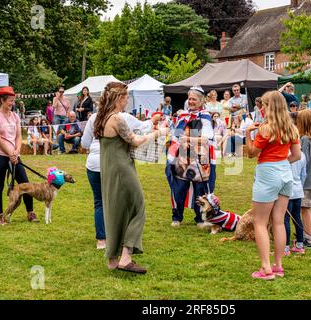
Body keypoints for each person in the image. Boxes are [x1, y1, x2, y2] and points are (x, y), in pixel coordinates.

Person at [93, 82, 168, 273]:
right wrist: (157, 133)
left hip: (109, 169)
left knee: (114, 210)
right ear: (119, 98)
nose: (127, 100)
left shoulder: (101, 117)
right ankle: (126, 258)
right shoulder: (116, 118)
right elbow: (135, 141)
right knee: (138, 206)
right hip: (121, 168)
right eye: (126, 97)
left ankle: (112, 259)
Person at [82, 104, 161, 251]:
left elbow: (85, 143)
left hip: (93, 164)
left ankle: (101, 239)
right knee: (119, 202)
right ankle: (120, 238)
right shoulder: (123, 117)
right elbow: (143, 128)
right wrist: (154, 120)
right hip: (112, 163)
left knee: (99, 202)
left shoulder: (94, 117)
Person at [245, 90, 301, 280]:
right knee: (278, 221)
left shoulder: (266, 128)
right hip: (285, 173)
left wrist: (247, 133)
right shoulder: (291, 128)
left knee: (260, 222)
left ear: (270, 106)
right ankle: (278, 265)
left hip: (267, 172)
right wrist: (281, 162)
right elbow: (296, 156)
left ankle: (265, 268)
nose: (261, 108)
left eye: (263, 105)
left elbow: (252, 152)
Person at [166, 86, 216, 228]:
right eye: (189, 99)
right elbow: (176, 135)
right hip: (183, 156)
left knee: (200, 188)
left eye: (194, 99)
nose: (191, 101)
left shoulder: (205, 117)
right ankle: (177, 216)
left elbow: (207, 139)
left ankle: (200, 218)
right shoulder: (183, 116)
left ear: (201, 101)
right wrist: (177, 143)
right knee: (179, 187)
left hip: (201, 157)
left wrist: (187, 140)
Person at [0, 86, 37, 225]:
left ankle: (30, 212)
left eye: (13, 101)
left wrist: (16, 151)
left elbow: (19, 136)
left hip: (15, 155)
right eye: (10, 100)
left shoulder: (15, 116)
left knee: (25, 184)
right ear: (2, 100)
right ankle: (0, 216)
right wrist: (9, 153)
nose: (12, 103)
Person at [296, 109, 311, 249]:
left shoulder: (304, 139)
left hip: (305, 181)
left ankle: (308, 238)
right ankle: (306, 235)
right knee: (306, 209)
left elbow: (301, 160)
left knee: (304, 209)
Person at [284, 151, 306, 256]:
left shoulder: (284, 152)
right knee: (297, 218)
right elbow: (303, 174)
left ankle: (285, 247)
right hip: (298, 189)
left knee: (285, 220)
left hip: (287, 191)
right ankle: (300, 244)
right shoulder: (302, 154)